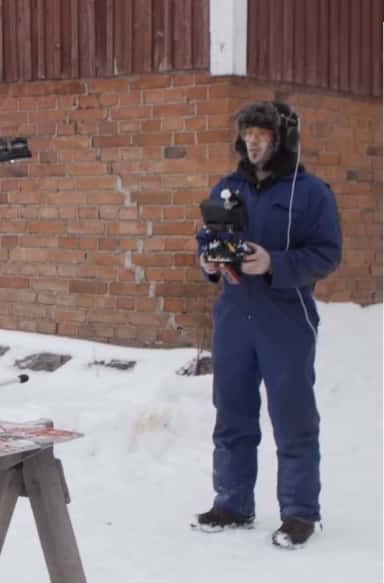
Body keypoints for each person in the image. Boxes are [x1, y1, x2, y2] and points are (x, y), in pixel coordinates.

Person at [192, 101, 343, 549]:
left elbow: (327, 253)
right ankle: (233, 503)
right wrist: (208, 261)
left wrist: (273, 263)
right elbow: (207, 237)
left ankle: (299, 513)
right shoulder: (227, 188)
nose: (253, 140)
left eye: (263, 133)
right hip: (235, 317)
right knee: (232, 413)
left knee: (293, 417)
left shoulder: (310, 192)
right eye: (248, 132)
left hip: (286, 318)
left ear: (282, 140)